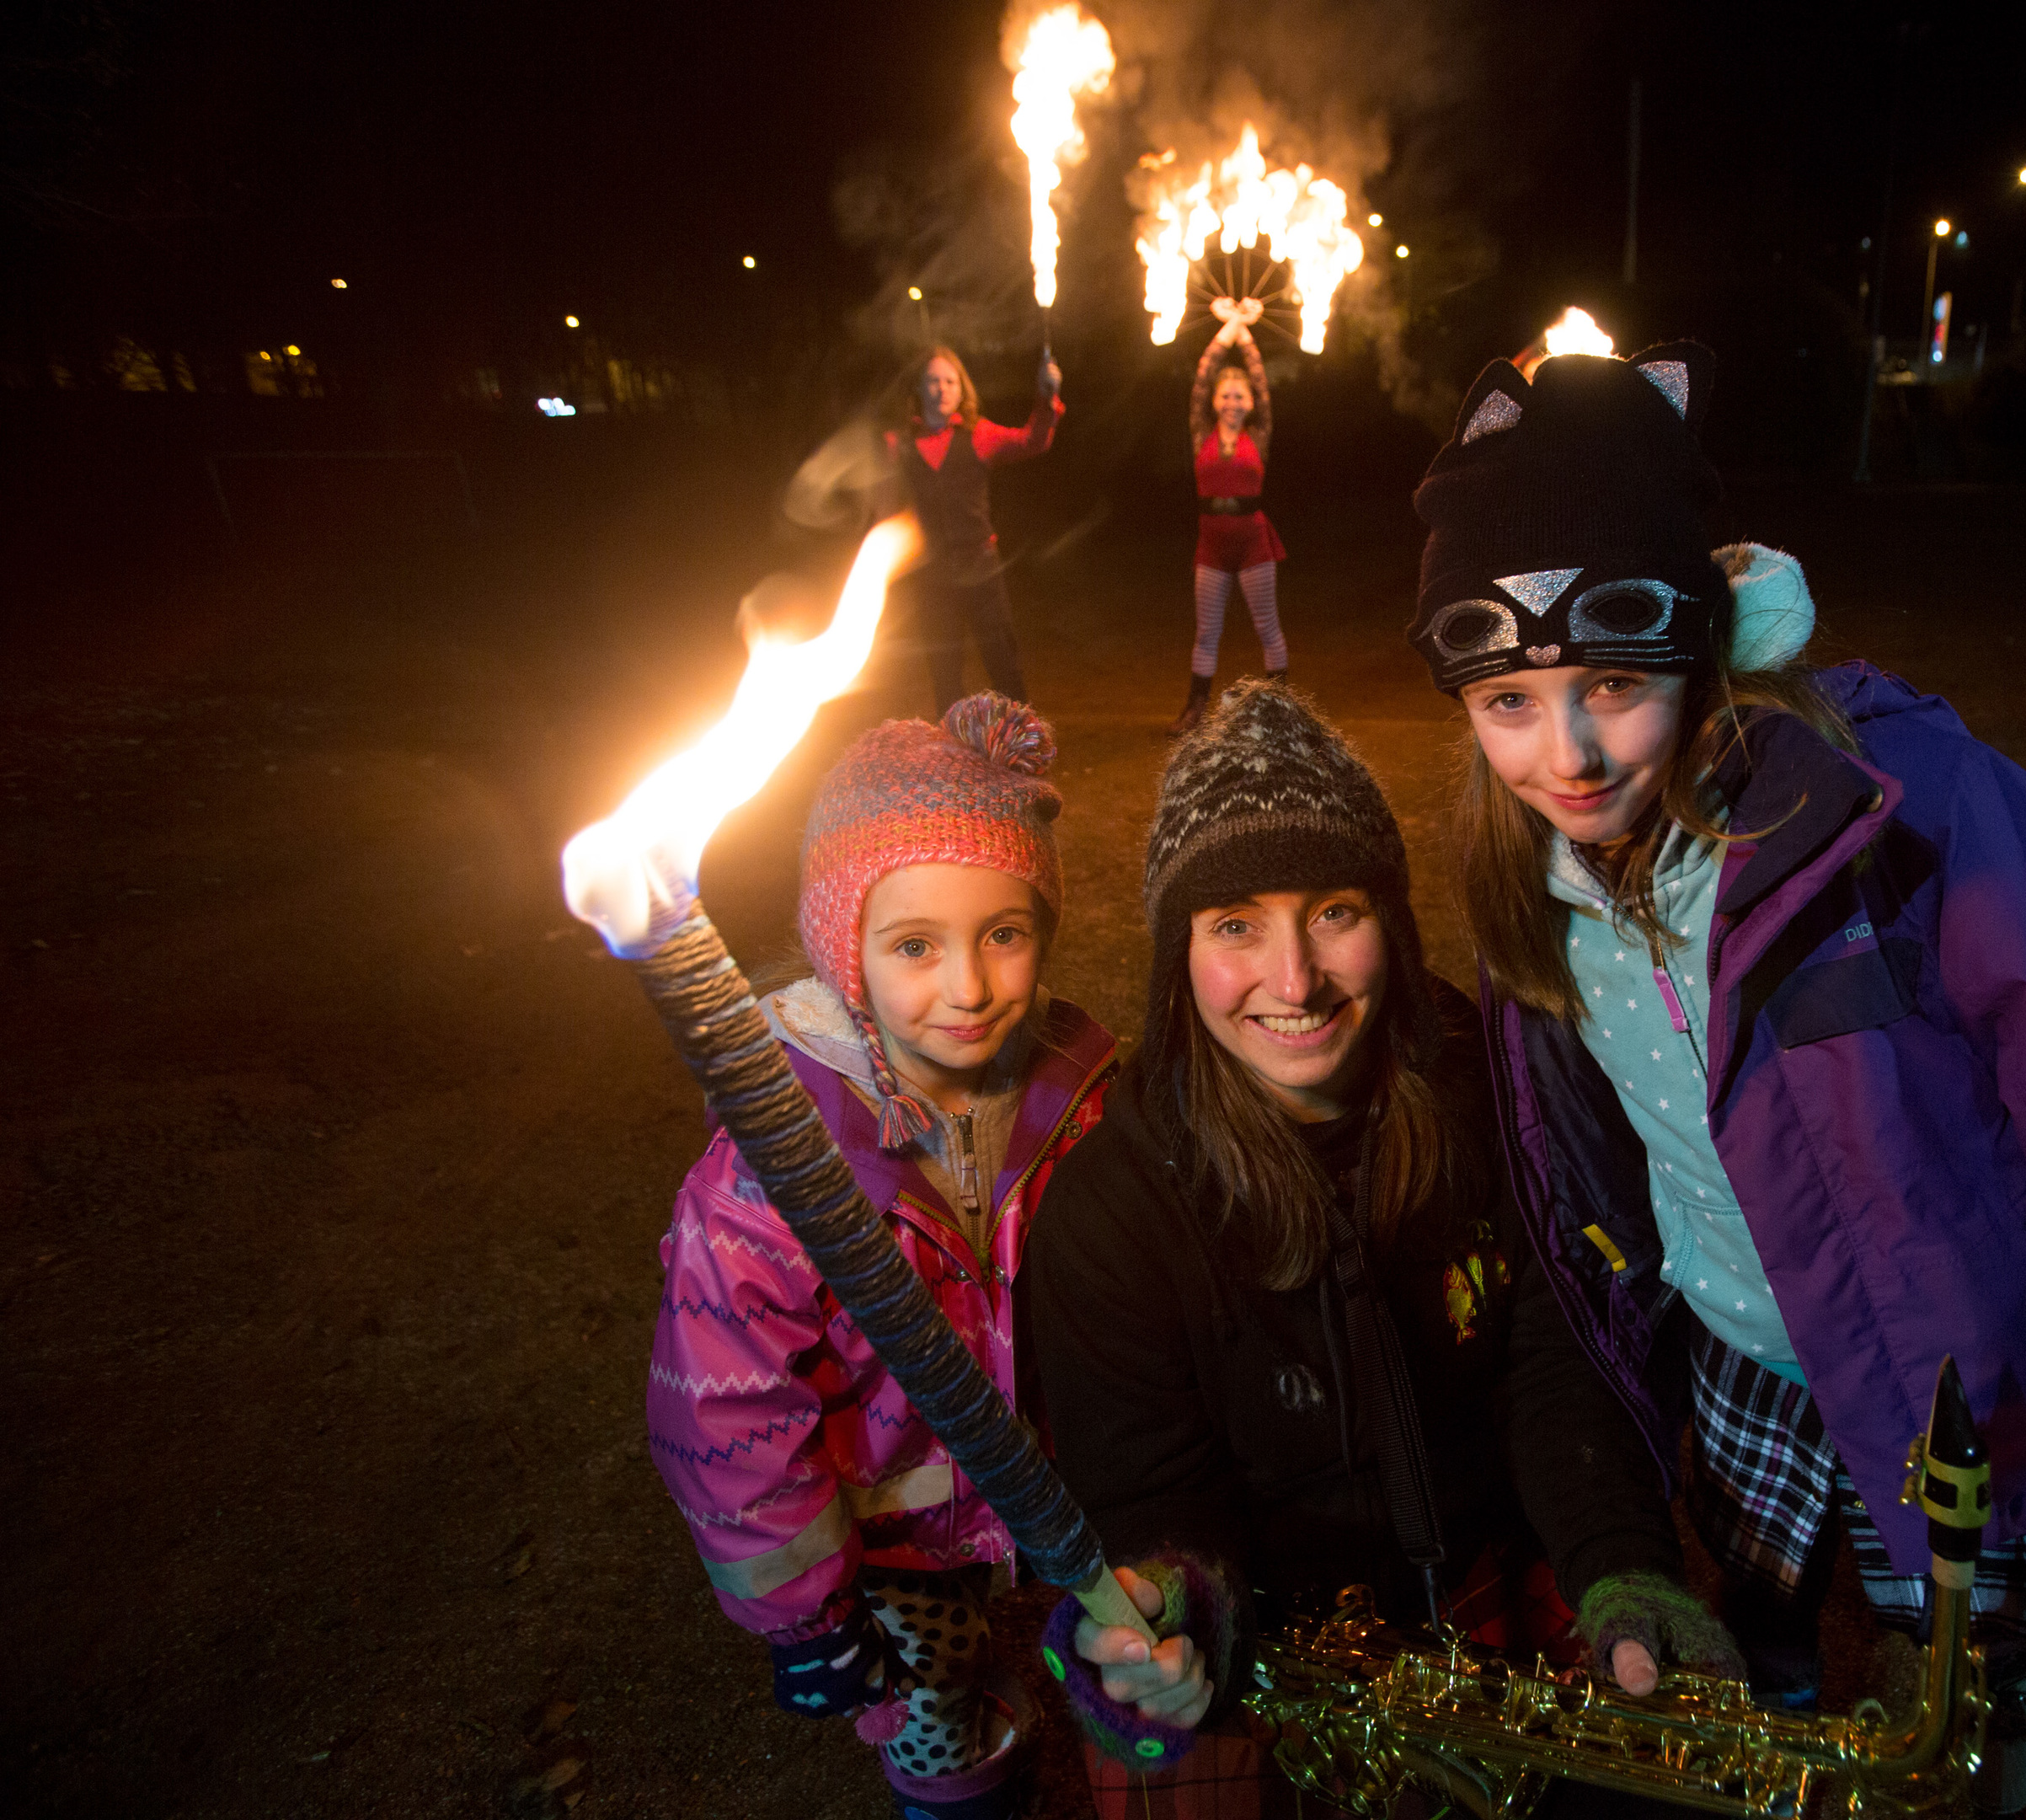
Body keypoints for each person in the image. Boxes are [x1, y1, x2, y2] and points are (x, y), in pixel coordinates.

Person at [1404, 344, 2026, 1815]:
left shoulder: (1912, 814)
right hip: (1748, 1363)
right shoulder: (1529, 873)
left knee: (1955, 1692)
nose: (1564, 753)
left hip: (1960, 1388)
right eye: (1510, 703)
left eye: (1615, 685)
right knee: (1760, 1660)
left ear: (1699, 643)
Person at [1020, 682, 1744, 1814]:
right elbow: (1147, 1491)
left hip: (1494, 1605)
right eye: (1235, 926)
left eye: (1335, 911)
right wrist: (1175, 1605)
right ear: (1180, 958)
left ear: (1392, 925)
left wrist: (1621, 1569)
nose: (1296, 980)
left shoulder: (1486, 1098)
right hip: (1279, 1671)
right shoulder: (1110, 1213)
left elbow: (1553, 1365)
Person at [645, 695, 1115, 1820]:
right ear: (842, 947)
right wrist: (807, 1616)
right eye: (914, 945)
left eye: (1004, 934)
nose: (967, 987)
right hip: (892, 1566)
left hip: (1054, 1515)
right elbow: (726, 1413)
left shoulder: (1079, 1101)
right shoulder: (771, 1177)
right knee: (951, 1748)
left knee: (1090, 1704)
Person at [878, 346, 1064, 715]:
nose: (942, 389)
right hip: (931, 575)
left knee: (1004, 665)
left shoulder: (979, 434)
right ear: (919, 388)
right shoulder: (898, 446)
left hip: (981, 568)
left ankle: (1021, 749)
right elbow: (885, 508)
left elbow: (1033, 441)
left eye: (951, 381)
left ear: (963, 390)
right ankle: (954, 757)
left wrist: (1047, 397)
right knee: (945, 674)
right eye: (933, 380)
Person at [1168, 298, 1289, 736]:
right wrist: (1227, 330)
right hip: (1212, 544)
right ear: (1216, 402)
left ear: (1251, 402)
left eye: (1241, 395)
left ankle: (1282, 714)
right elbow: (1202, 376)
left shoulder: (1260, 433)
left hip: (1253, 540)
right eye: (1227, 394)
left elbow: (1259, 376)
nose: (1233, 401)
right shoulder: (1201, 430)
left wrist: (1247, 334)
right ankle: (1195, 711)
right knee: (1207, 632)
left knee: (1267, 626)